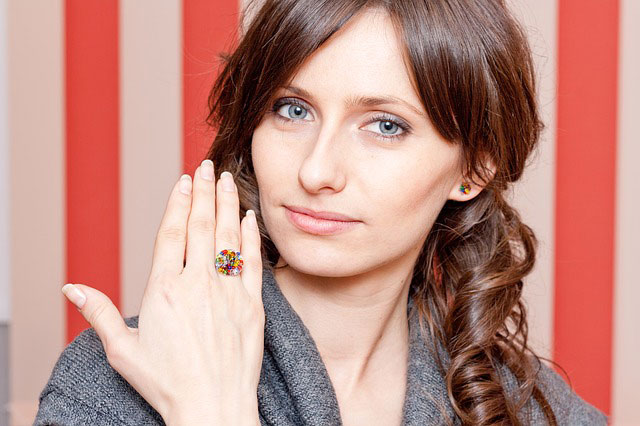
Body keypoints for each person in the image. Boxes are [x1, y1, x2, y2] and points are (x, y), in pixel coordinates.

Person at [35, 0, 608, 425]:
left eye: (386, 125)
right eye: (292, 109)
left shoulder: (531, 409)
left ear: (473, 170)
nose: (315, 171)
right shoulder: (120, 380)